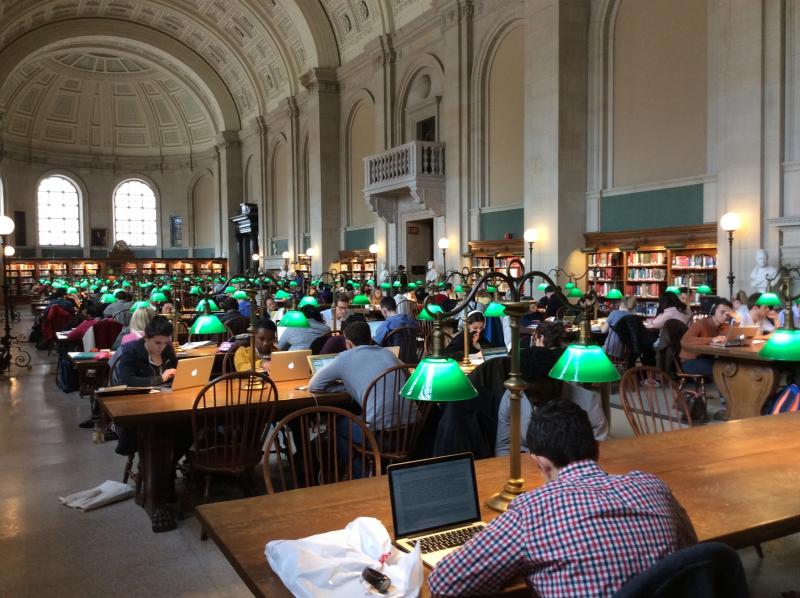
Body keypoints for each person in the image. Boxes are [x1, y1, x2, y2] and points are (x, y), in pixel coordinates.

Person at [429, 400, 697, 597]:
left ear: (540, 463)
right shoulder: (652, 486)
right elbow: (692, 552)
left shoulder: (532, 511)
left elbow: (445, 583)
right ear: (597, 449)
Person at [308, 321, 409, 477]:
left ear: (348, 343)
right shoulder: (387, 353)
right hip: (410, 433)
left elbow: (314, 386)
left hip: (382, 438)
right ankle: (371, 470)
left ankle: (360, 475)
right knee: (359, 419)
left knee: (338, 425)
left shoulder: (344, 358)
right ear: (370, 338)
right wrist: (352, 385)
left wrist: (347, 386)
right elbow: (407, 376)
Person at [114, 316, 178, 387]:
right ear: (146, 338)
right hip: (138, 396)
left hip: (165, 393)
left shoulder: (167, 349)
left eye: (165, 343)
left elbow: (177, 371)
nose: (162, 347)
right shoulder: (131, 350)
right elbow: (126, 380)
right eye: (157, 343)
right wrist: (160, 379)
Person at [680, 299, 733, 378]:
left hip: (706, 358)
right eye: (722, 312)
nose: (725, 316)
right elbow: (685, 341)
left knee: (731, 365)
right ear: (713, 310)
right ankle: (724, 390)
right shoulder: (700, 323)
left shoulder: (724, 326)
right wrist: (712, 339)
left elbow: (732, 337)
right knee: (723, 368)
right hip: (690, 361)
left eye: (728, 314)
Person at [601, 295, 637, 360]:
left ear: (621, 303)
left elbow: (603, 330)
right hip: (625, 351)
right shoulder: (632, 317)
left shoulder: (613, 313)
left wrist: (602, 325)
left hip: (610, 349)